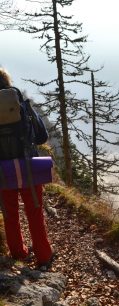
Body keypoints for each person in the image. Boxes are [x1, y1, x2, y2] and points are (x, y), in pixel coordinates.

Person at [0, 68, 53, 268]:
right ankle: (44, 256)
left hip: (3, 173)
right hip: (28, 169)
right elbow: (42, 136)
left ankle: (18, 253)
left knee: (10, 214)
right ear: (7, 81)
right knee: (35, 212)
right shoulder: (21, 103)